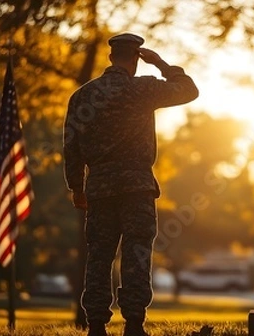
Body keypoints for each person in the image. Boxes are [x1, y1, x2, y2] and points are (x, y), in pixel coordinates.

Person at [63, 33, 198, 336]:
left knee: (99, 254)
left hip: (99, 188)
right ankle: (134, 324)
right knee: (136, 252)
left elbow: (71, 146)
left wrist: (77, 187)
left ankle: (96, 324)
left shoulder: (83, 96)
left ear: (111, 58)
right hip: (136, 186)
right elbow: (189, 91)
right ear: (136, 58)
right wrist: (161, 63)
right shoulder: (143, 88)